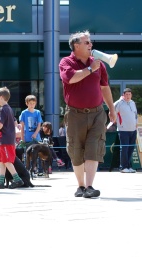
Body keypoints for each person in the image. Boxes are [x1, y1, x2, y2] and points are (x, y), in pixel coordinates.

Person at [59, 30, 116, 198]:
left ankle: (90, 186)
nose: (91, 45)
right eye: (87, 42)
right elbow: (71, 78)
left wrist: (111, 109)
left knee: (94, 148)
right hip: (75, 114)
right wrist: (91, 69)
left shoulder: (99, 64)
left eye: (90, 42)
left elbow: (105, 88)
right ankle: (81, 186)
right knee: (76, 150)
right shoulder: (66, 62)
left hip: (98, 113)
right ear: (76, 46)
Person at [0, 87, 24, 189]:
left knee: (7, 160)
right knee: (2, 160)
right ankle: (0, 181)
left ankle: (17, 179)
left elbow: (0, 124)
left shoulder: (3, 109)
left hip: (5, 139)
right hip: (7, 139)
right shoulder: (9, 109)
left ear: (1, 97)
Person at [114, 88, 138, 173]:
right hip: (123, 129)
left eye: (129, 94)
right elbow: (112, 109)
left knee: (131, 148)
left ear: (131, 95)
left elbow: (135, 115)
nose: (128, 96)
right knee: (124, 148)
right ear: (123, 95)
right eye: (126, 94)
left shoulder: (133, 103)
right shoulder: (119, 103)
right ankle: (123, 167)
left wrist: (136, 124)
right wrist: (119, 100)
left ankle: (128, 166)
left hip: (133, 129)